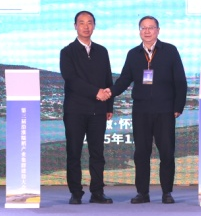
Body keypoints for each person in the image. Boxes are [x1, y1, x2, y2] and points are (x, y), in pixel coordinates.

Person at [106, 16, 187, 204]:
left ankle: (167, 192)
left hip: (165, 110)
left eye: (151, 27)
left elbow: (180, 81)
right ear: (139, 31)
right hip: (141, 110)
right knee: (141, 153)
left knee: (166, 152)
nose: (147, 31)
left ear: (158, 30)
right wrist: (109, 92)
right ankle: (142, 193)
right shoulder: (133, 54)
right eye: (144, 28)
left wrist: (178, 106)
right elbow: (124, 80)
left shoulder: (170, 51)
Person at [60, 11, 114, 205]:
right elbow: (71, 80)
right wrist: (96, 92)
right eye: (81, 23)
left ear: (94, 26)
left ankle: (97, 192)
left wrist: (109, 106)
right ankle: (76, 192)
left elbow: (108, 79)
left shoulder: (102, 51)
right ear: (75, 26)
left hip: (98, 110)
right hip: (75, 110)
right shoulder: (67, 52)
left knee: (97, 153)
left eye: (89, 23)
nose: (86, 26)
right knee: (74, 153)